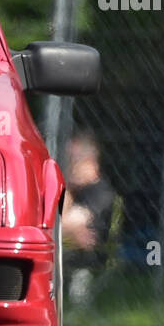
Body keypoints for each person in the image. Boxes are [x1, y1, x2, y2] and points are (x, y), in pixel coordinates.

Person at [61, 129, 116, 306]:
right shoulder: (75, 191)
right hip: (69, 243)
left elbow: (62, 223)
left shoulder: (100, 192)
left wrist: (64, 228)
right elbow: (61, 224)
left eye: (73, 161)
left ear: (90, 162)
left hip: (91, 251)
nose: (68, 167)